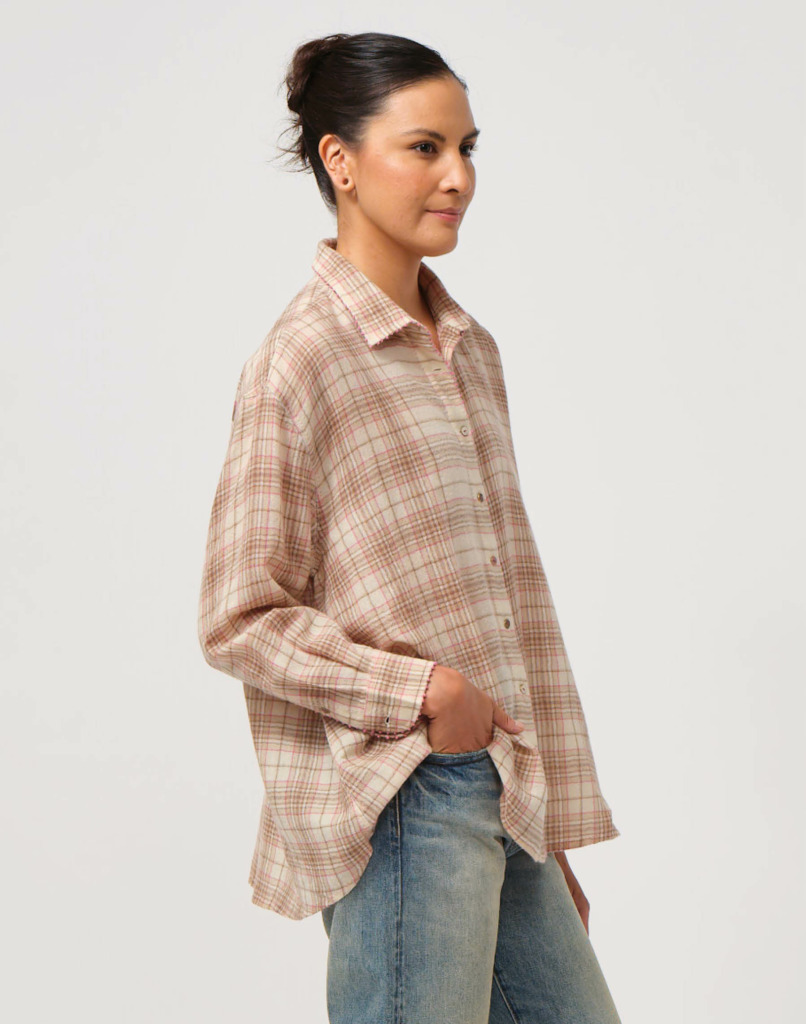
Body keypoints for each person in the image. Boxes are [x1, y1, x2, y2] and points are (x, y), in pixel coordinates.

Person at [197, 30, 623, 1024]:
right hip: (402, 796)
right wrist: (422, 690)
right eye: (424, 147)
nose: (457, 176)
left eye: (466, 148)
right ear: (339, 161)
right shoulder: (301, 359)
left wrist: (548, 832)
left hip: (505, 789)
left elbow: (511, 597)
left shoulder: (470, 350)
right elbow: (237, 616)